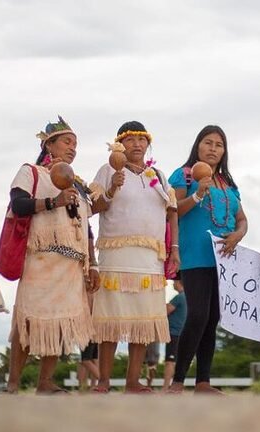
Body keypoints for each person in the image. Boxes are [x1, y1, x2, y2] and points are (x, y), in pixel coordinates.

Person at [5, 116, 97, 395]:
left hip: (71, 264)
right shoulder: (31, 172)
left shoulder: (78, 185)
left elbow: (86, 228)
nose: (73, 148)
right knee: (29, 319)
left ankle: (45, 382)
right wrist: (52, 202)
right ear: (49, 145)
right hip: (41, 258)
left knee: (60, 322)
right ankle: (13, 383)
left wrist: (93, 264)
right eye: (67, 142)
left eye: (76, 144)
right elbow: (18, 204)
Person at [89, 121, 179, 394]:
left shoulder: (158, 176)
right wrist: (113, 188)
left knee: (142, 320)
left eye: (142, 140)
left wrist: (174, 249)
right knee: (111, 319)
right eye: (130, 140)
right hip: (116, 254)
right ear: (119, 145)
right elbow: (93, 207)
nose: (137, 145)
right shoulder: (108, 170)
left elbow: (171, 212)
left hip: (150, 258)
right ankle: (103, 381)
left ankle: (133, 381)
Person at [167, 125, 247, 395]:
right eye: (208, 143)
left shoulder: (228, 183)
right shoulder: (184, 175)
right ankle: (177, 380)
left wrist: (237, 235)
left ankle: (203, 382)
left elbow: (242, 219)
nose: (213, 148)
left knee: (212, 318)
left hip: (224, 259)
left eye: (219, 144)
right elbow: (173, 211)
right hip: (195, 255)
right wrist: (198, 193)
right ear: (197, 146)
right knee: (197, 313)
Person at [163, 279, 186, 391]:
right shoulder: (189, 297)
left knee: (170, 361)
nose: (172, 283)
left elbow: (166, 310)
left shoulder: (179, 297)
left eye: (174, 281)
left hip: (174, 332)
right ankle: (176, 384)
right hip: (183, 332)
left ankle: (166, 387)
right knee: (177, 360)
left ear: (179, 282)